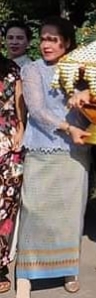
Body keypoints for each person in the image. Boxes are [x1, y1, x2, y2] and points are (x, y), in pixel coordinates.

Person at [15, 17, 91, 298]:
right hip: (41, 149)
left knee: (70, 215)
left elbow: (95, 103)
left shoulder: (83, 70)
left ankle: (69, 270)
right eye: (43, 38)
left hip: (75, 151)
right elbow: (36, 109)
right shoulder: (33, 70)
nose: (46, 44)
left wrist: (87, 93)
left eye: (53, 39)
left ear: (67, 43)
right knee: (34, 212)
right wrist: (67, 127)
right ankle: (26, 274)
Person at [0, 41, 25, 293]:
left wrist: (22, 129)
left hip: (8, 146)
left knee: (6, 207)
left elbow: (20, 106)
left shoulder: (12, 69)